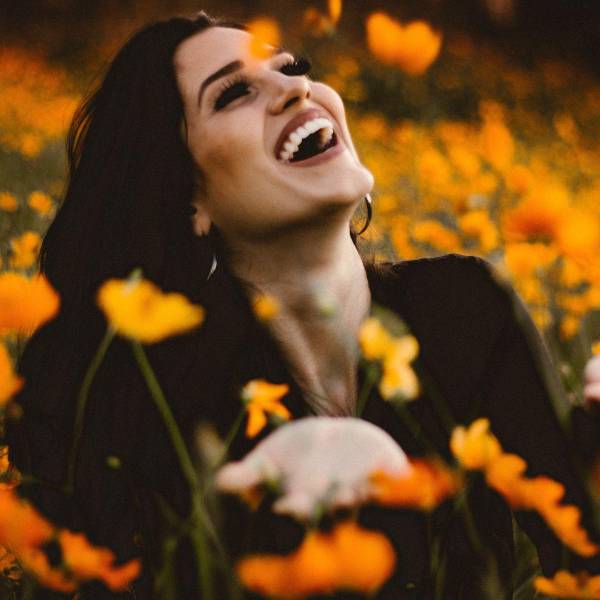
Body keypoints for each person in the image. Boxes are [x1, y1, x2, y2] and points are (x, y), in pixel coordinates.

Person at [7, 10, 600, 600]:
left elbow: (582, 553)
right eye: (233, 93)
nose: (296, 88)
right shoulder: (174, 413)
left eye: (292, 68)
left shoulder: (468, 308)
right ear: (188, 201)